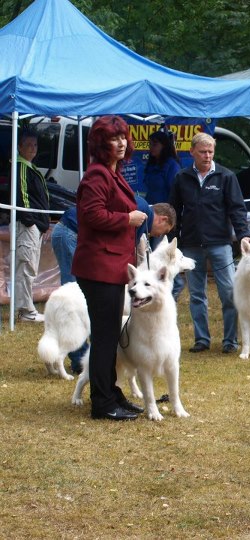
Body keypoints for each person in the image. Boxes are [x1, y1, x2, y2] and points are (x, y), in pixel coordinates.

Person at [71, 115, 146, 421]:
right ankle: (101, 403)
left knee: (110, 335)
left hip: (111, 266)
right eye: (114, 139)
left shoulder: (112, 173)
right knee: (104, 337)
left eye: (123, 137)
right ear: (101, 144)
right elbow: (91, 215)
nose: (121, 143)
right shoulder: (96, 175)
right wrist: (127, 219)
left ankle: (110, 392)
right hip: (98, 267)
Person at [52, 198, 175, 373]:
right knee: (73, 298)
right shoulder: (142, 213)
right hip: (71, 232)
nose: (159, 235)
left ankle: (84, 356)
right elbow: (122, 244)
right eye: (165, 231)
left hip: (70, 231)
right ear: (163, 219)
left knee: (79, 295)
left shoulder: (141, 210)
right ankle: (80, 359)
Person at [169, 132, 250, 354]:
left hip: (220, 243)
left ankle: (230, 340)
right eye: (203, 152)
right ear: (192, 152)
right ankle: (202, 339)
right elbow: (174, 211)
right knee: (196, 295)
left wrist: (243, 234)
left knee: (229, 292)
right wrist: (173, 241)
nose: (207, 156)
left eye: (210, 152)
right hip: (191, 244)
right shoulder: (181, 177)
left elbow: (237, 209)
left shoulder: (226, 176)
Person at [14, 130, 49, 323]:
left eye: (35, 145)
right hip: (29, 225)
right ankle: (26, 311)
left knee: (30, 267)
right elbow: (22, 195)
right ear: (19, 147)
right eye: (28, 144)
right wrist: (31, 221)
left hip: (36, 225)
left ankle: (26, 309)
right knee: (26, 267)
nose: (32, 148)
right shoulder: (20, 167)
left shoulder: (30, 167)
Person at [143, 130, 181, 206]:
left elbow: (176, 194)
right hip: (150, 207)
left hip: (165, 209)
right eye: (150, 144)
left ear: (164, 146)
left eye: (155, 144)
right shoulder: (151, 164)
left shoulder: (172, 166)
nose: (151, 147)